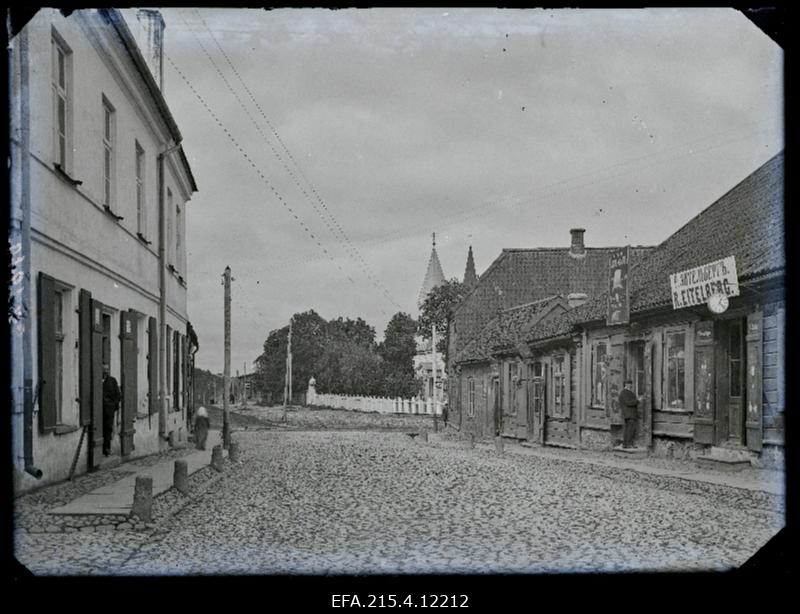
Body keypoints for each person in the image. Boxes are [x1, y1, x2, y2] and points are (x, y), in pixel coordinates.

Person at [102, 365, 121, 456]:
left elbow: (118, 395)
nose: (105, 371)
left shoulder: (112, 381)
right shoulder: (97, 380)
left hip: (109, 410)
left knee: (108, 429)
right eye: (103, 369)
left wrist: (113, 406)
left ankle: (107, 448)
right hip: (98, 410)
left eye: (107, 369)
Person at [619, 379, 640, 449]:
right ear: (626, 385)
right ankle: (628, 444)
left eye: (631, 384)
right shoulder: (625, 392)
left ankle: (626, 444)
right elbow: (629, 402)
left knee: (629, 429)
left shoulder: (626, 392)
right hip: (629, 414)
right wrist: (637, 401)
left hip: (629, 414)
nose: (631, 385)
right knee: (630, 429)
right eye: (630, 384)